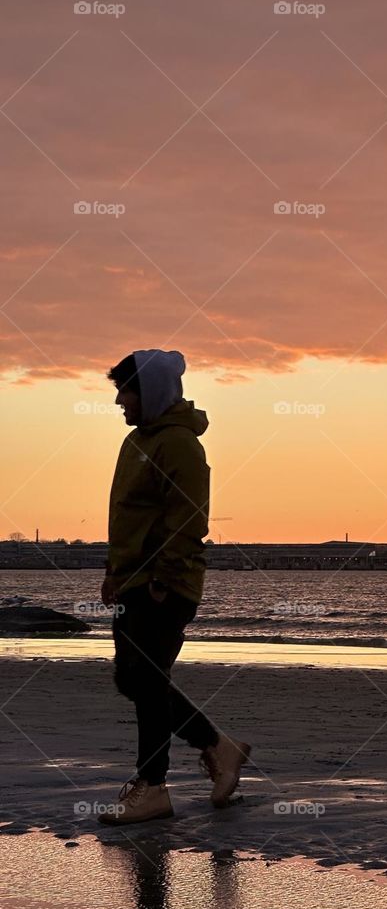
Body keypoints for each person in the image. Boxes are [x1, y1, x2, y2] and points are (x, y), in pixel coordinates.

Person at [99, 349, 250, 825]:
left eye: (127, 390)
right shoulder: (137, 442)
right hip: (135, 580)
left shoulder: (180, 444)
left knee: (146, 681)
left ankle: (153, 787)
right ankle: (218, 747)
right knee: (135, 678)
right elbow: (129, 516)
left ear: (153, 392)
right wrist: (115, 572)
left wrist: (164, 576)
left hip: (167, 582)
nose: (120, 400)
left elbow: (187, 515)